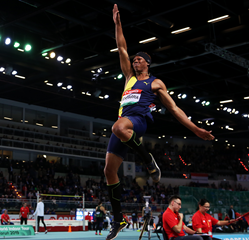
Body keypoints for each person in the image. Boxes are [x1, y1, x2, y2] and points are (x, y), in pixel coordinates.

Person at [105, 5, 214, 240]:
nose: (134, 61)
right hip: (125, 124)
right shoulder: (128, 77)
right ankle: (118, 219)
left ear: (147, 63)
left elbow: (174, 109)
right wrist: (117, 24)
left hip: (138, 121)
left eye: (138, 60)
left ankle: (148, 159)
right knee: (109, 170)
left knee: (117, 127)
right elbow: (122, 47)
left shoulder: (155, 83)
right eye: (133, 60)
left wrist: (195, 129)